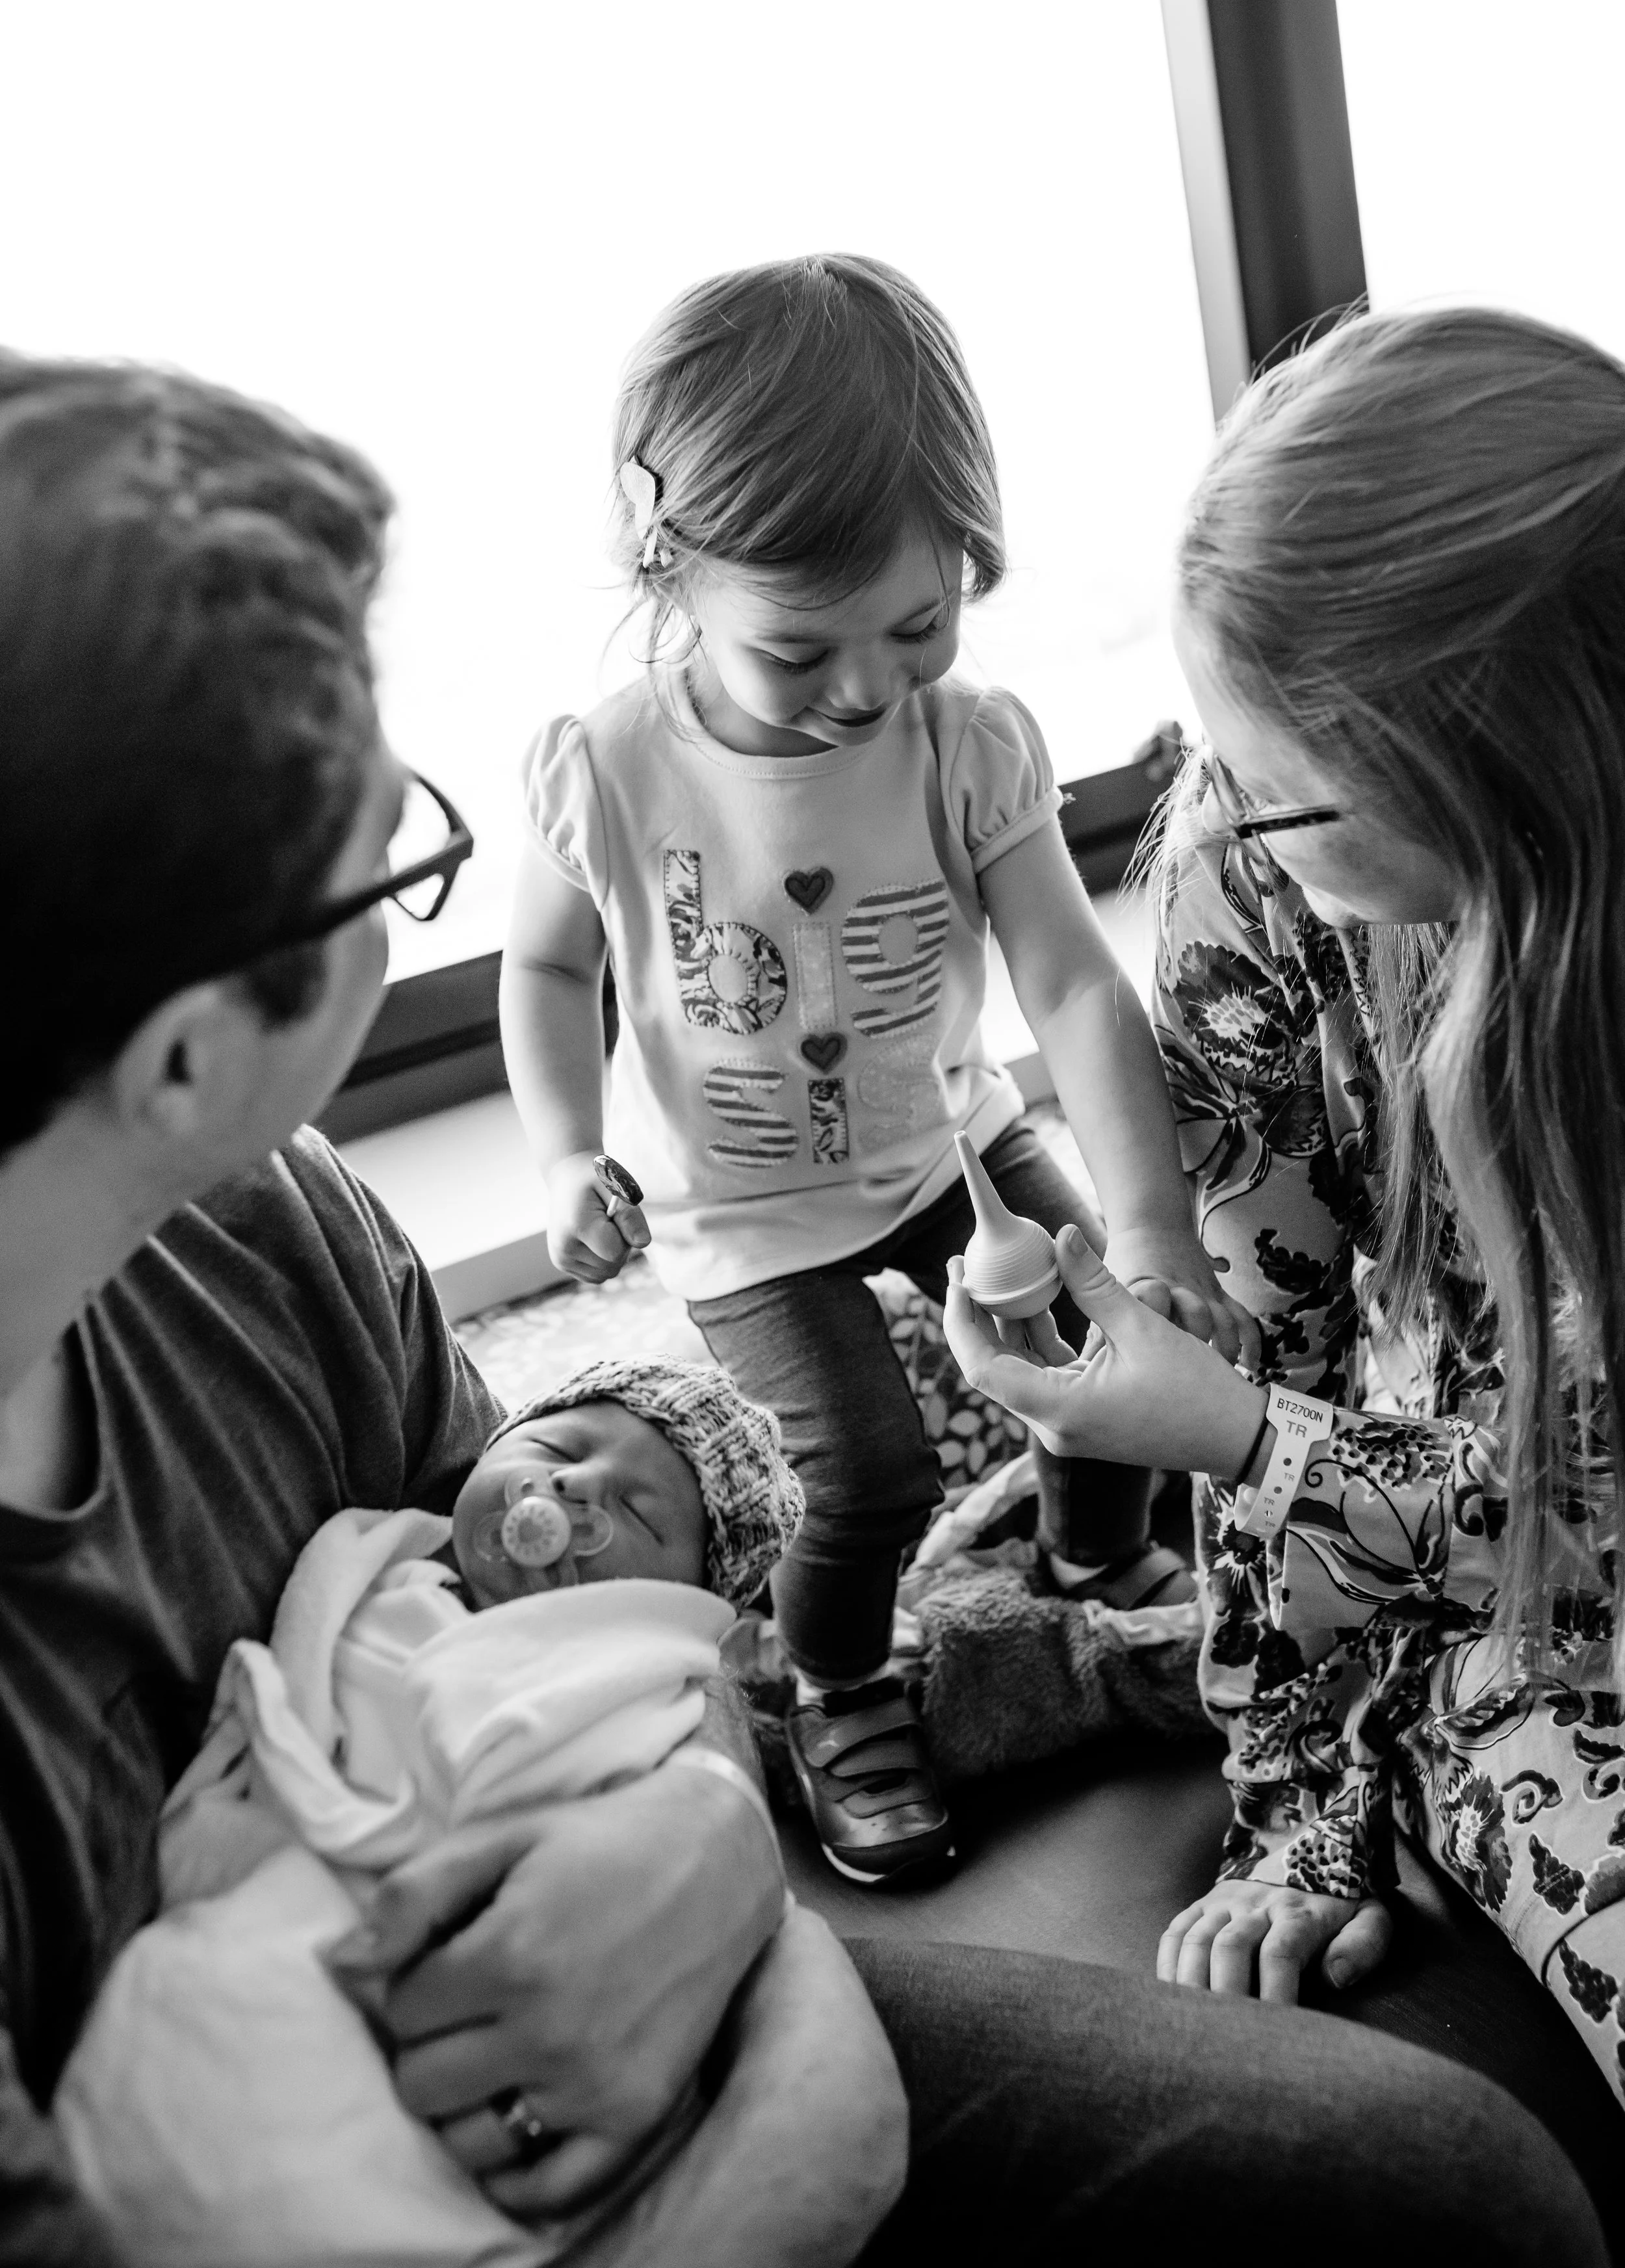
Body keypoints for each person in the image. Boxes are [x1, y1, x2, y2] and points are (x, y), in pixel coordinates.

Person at [1, 346, 1603, 2268]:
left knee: (1457, 2198)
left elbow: (547, 1595)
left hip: (621, 1950)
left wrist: (690, 1852)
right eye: (390, 866)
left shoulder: (281, 1242)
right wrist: (779, 2140)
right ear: (184, 1056)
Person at [940, 306, 1625, 2115]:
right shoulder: (1244, 889)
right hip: (1484, 1602)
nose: (1216, 825)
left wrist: (1248, 1438)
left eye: (1276, 788)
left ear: (1495, 782)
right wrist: (1299, 1805)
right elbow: (1287, 1347)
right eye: (1204, 755)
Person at [500, 253, 1251, 1888]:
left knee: (1092, 1341)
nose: (866, 687)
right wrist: (565, 1156)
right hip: (739, 1215)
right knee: (865, 1469)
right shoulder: (609, 770)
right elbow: (551, 968)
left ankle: (1092, 1558)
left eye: (917, 624)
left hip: (948, 1145)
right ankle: (838, 1688)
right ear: (668, 572)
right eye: (798, 651)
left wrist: (1151, 1225)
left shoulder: (965, 741)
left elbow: (1063, 973)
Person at [55, 1361, 888, 2268]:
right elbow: (303, 1698)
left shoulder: (615, 1669)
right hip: (282, 1902)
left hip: (530, 1949)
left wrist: (717, 1804)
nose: (574, 1486)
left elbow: (652, 1717)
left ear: (678, 1598)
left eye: (641, 1517)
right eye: (556, 1448)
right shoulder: (383, 1569)